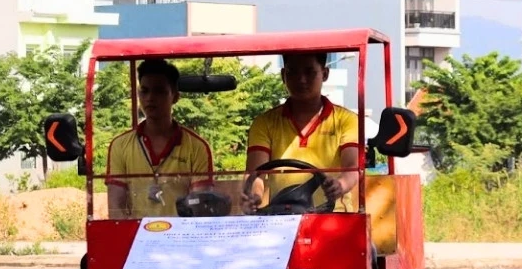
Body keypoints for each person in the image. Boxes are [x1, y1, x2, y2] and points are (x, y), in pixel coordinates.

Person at [242, 52, 363, 213]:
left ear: (325, 74)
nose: (301, 79)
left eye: (309, 72)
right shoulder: (264, 123)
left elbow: (352, 168)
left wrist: (340, 185)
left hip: (333, 217)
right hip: (282, 217)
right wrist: (254, 196)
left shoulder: (347, 120)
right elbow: (255, 174)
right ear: (283, 75)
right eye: (292, 72)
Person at [105, 58, 215, 218]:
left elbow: (200, 207)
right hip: (137, 232)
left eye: (159, 91)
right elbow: (116, 207)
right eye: (145, 91)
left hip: (181, 232)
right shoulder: (120, 146)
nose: (150, 98)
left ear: (175, 97)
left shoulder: (197, 147)